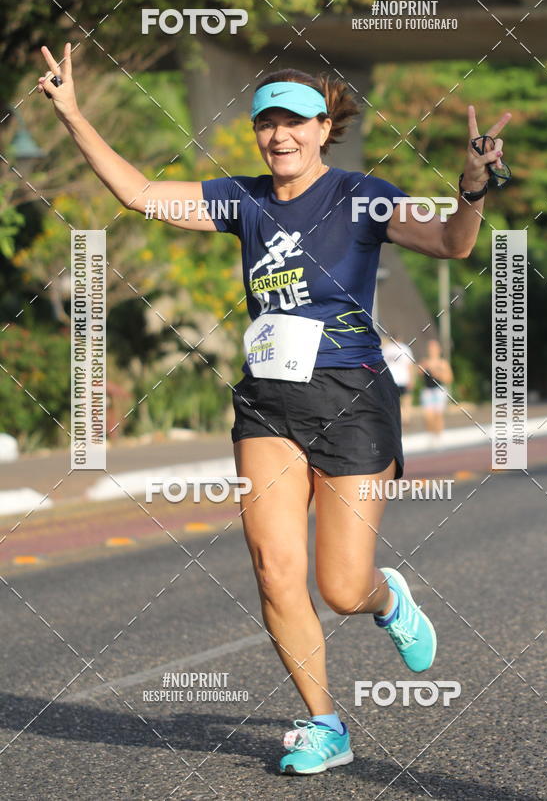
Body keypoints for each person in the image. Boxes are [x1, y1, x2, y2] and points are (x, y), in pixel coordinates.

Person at [38, 44, 510, 776]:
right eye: (268, 124)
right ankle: (325, 724)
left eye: (296, 122)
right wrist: (71, 114)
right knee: (274, 567)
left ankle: (386, 600)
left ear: (326, 127)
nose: (280, 135)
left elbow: (451, 241)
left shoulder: (363, 195)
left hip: (352, 401)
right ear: (257, 133)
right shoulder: (241, 199)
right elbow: (137, 193)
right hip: (267, 404)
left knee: (340, 586)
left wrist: (473, 188)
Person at [418, 339, 454, 446]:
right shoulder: (424, 362)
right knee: (428, 416)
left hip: (439, 390)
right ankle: (431, 436)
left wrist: (437, 373)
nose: (432, 350)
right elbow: (418, 373)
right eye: (430, 348)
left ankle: (439, 436)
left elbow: (449, 378)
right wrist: (422, 368)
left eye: (434, 348)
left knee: (438, 415)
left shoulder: (442, 363)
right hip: (427, 390)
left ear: (438, 350)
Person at [381, 335, 415, 426]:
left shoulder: (386, 349)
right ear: (399, 339)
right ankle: (405, 420)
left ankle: (394, 420)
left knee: (392, 402)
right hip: (403, 379)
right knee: (406, 401)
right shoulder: (404, 348)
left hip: (391, 380)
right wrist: (411, 380)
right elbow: (410, 365)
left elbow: (382, 366)